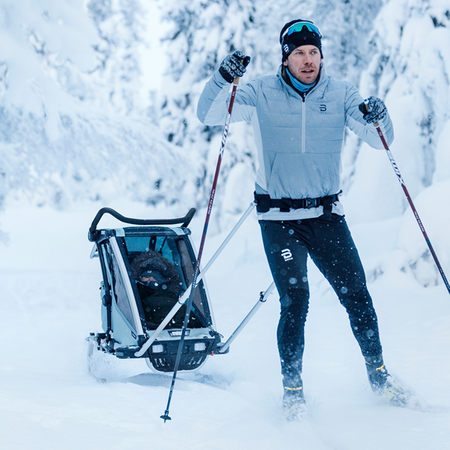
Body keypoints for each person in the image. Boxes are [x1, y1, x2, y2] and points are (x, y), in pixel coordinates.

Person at [197, 19, 408, 419]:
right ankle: (293, 393)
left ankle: (380, 377)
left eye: (313, 52)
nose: (308, 60)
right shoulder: (259, 91)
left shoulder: (342, 93)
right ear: (286, 58)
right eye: (299, 53)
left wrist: (380, 115)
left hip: (327, 217)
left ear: (321, 55)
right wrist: (222, 78)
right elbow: (208, 114)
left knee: (357, 296)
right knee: (296, 301)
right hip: (279, 219)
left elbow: (381, 139)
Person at [130, 250, 201, 329]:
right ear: (139, 278)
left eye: (155, 278)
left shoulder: (174, 299)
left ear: (163, 282)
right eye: (146, 276)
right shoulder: (133, 300)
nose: (150, 279)